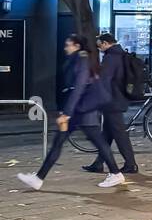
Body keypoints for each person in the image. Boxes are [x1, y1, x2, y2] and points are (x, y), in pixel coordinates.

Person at [17, 35, 126, 190]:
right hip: (80, 109)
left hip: (81, 110)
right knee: (64, 141)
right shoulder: (80, 59)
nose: (65, 48)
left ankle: (115, 173)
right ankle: (38, 178)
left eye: (68, 45)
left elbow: (79, 87)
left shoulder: (82, 59)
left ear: (76, 45)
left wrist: (66, 113)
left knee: (92, 141)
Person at [81, 30, 138, 175]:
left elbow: (104, 80)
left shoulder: (111, 57)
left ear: (106, 43)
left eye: (100, 46)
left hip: (112, 101)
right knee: (106, 134)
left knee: (120, 134)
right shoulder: (119, 54)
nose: (99, 49)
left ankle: (131, 164)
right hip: (116, 99)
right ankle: (98, 163)